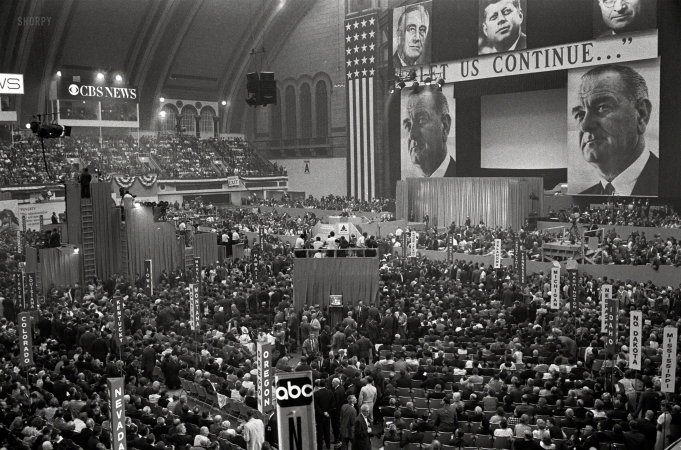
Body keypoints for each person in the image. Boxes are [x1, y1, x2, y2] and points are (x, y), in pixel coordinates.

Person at [572, 64, 657, 196]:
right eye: (579, 115)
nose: (585, 126)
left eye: (602, 107)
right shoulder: (582, 199)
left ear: (641, 114)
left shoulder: (672, 182)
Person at [403, 87, 454, 178]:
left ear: (445, 127)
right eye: (408, 125)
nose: (412, 135)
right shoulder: (407, 186)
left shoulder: (467, 178)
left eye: (422, 120)